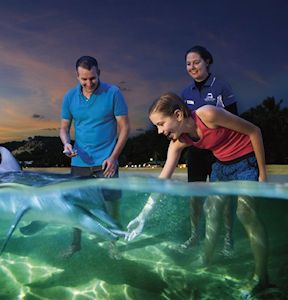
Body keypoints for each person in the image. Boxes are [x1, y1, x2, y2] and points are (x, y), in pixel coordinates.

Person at [126, 92, 271, 296]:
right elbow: (162, 180)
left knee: (245, 214)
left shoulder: (208, 114)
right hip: (221, 166)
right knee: (211, 209)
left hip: (246, 162)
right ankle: (206, 259)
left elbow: (254, 131)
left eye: (160, 124)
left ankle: (261, 277)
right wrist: (142, 216)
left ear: (178, 115)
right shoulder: (179, 142)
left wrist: (262, 174)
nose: (159, 131)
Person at [60, 55, 130, 257]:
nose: (89, 83)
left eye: (92, 78)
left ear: (99, 73)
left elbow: (124, 128)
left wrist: (114, 156)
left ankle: (113, 243)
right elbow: (64, 128)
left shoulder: (113, 92)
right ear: (77, 76)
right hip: (79, 162)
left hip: (107, 162)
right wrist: (66, 143)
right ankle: (75, 244)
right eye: (84, 79)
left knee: (111, 206)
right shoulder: (69, 97)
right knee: (77, 207)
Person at [181, 45, 238, 254]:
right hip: (196, 153)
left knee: (223, 197)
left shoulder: (221, 86)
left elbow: (235, 120)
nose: (192, 67)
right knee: (194, 197)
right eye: (188, 64)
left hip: (220, 153)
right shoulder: (185, 93)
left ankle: (228, 238)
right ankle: (195, 236)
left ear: (207, 62)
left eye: (196, 62)